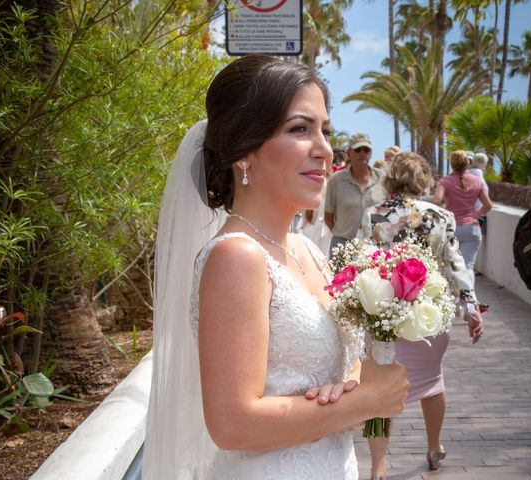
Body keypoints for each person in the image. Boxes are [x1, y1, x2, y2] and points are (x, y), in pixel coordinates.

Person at [143, 54, 410, 479]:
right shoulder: (237, 256)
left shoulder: (310, 253)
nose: (324, 150)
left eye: (325, 130)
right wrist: (367, 402)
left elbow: (340, 371)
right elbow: (232, 425)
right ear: (245, 152)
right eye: (299, 129)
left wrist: (349, 389)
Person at [361, 152, 484, 479]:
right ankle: (433, 446)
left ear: (392, 177)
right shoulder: (442, 216)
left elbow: (365, 262)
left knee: (379, 386)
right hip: (429, 313)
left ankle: (377, 466)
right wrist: (471, 306)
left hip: (386, 312)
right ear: (424, 179)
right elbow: (456, 263)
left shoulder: (373, 214)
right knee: (432, 382)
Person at [433, 150, 492, 287]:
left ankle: (456, 299)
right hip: (472, 228)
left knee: (451, 267)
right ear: (467, 163)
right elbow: (488, 205)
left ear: (452, 164)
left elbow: (436, 201)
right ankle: (470, 301)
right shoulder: (477, 180)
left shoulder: (445, 181)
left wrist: (445, 213)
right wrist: (474, 215)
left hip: (453, 229)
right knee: (468, 267)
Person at [325, 132, 388, 256]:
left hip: (375, 247)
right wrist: (343, 234)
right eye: (358, 150)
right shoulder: (336, 181)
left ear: (370, 153)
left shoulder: (383, 178)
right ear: (349, 153)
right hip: (343, 246)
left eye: (366, 150)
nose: (362, 154)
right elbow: (328, 216)